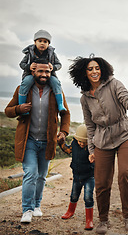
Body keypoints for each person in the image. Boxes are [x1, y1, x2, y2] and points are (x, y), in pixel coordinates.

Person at [68, 54, 128, 234]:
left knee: (125, 173)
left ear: (103, 69)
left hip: (123, 134)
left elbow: (127, 99)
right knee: (101, 182)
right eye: (90, 69)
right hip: (102, 140)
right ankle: (103, 220)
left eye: (97, 68)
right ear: (84, 73)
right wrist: (91, 149)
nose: (94, 71)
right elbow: (90, 126)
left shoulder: (114, 84)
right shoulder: (84, 98)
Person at [5, 57, 70, 223]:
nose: (44, 74)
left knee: (41, 176)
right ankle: (26, 209)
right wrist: (19, 108)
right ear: (33, 71)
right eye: (40, 71)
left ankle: (36, 206)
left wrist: (63, 131)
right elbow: (8, 111)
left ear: (51, 72)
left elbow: (66, 114)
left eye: (47, 71)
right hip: (29, 141)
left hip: (48, 142)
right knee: (31, 173)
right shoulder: (23, 89)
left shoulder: (56, 92)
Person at [19, 29, 66, 114]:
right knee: (26, 82)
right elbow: (21, 64)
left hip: (48, 75)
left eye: (45, 41)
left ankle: (60, 104)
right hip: (31, 74)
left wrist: (53, 67)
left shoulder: (52, 53)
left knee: (56, 82)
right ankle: (22, 104)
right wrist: (29, 67)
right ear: (35, 42)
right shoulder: (29, 53)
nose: (42, 43)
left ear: (48, 44)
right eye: (40, 41)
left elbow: (59, 65)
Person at [58, 124, 94, 230]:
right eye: (80, 141)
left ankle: (89, 219)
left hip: (89, 176)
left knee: (88, 197)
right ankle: (70, 211)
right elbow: (68, 150)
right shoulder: (74, 143)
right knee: (74, 195)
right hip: (77, 176)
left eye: (85, 142)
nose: (82, 144)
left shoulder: (92, 149)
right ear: (76, 139)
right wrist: (61, 143)